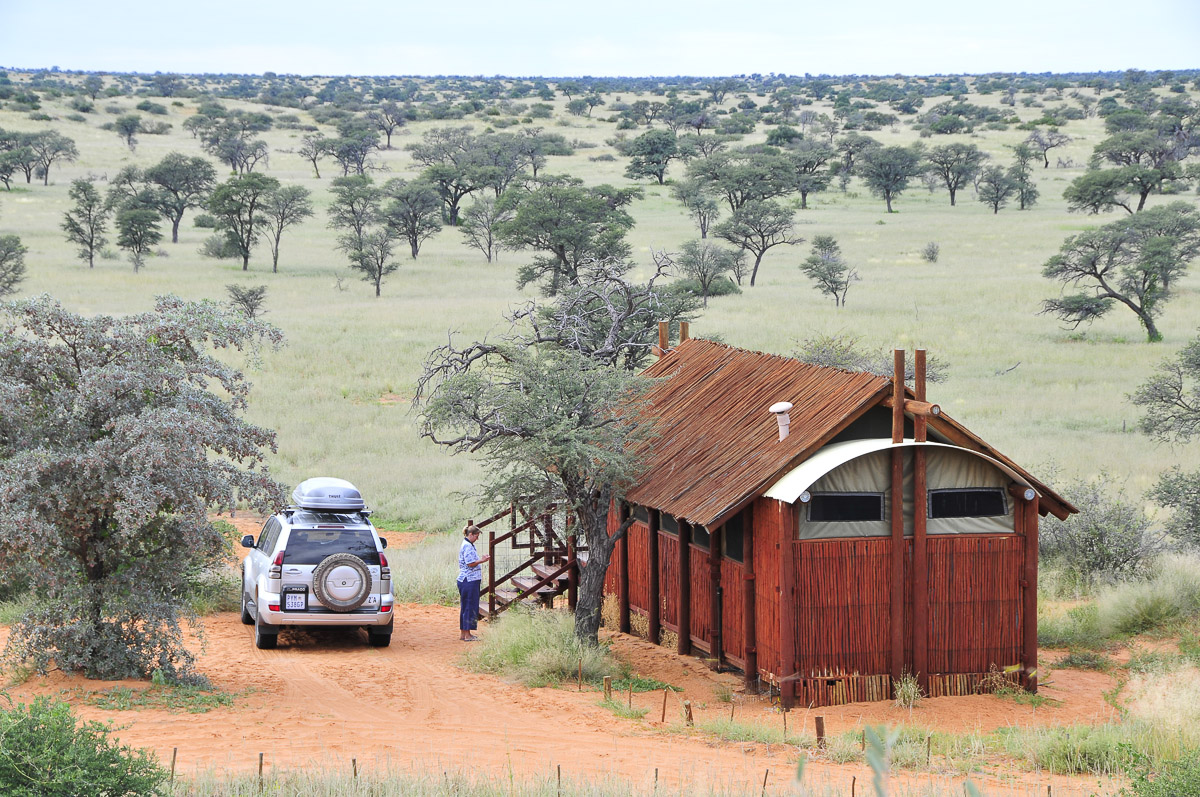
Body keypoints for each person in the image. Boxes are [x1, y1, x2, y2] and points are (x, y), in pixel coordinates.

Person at [457, 524, 490, 641]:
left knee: (466, 606)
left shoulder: (467, 544)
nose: (477, 538)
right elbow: (470, 563)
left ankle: (464, 633)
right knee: (470, 606)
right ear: (470, 534)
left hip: (466, 579)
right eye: (476, 536)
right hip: (469, 580)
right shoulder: (467, 546)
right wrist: (482, 560)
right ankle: (467, 635)